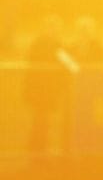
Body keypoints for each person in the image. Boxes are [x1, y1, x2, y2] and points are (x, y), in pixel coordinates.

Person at [23, 15, 72, 161]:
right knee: (41, 120)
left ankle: (37, 151)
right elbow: (69, 63)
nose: (55, 31)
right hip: (42, 90)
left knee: (42, 120)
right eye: (53, 28)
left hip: (46, 90)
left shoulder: (46, 43)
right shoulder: (48, 44)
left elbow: (68, 63)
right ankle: (38, 152)